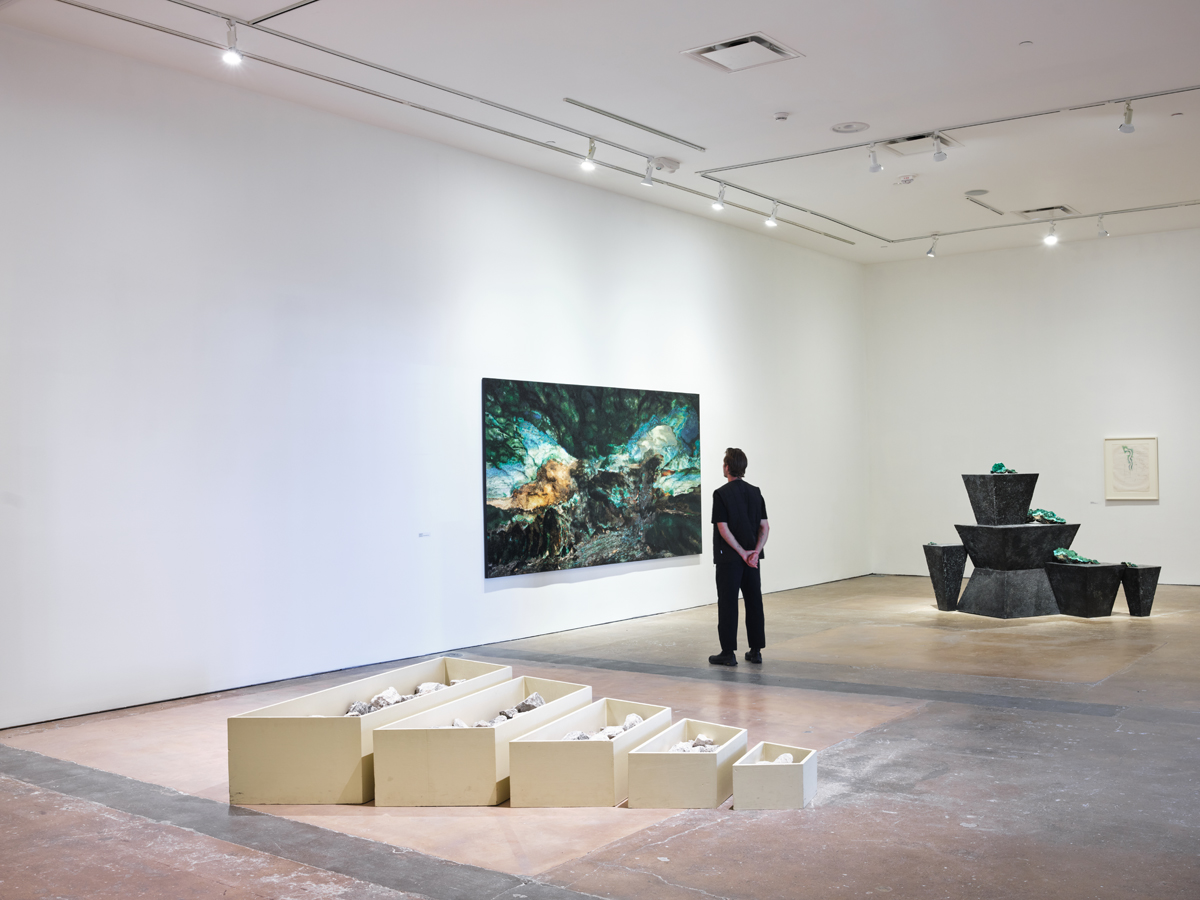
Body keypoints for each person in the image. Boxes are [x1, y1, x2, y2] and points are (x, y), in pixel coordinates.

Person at [709, 447, 770, 666]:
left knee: (728, 603)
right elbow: (765, 526)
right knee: (754, 601)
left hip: (730, 559)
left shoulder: (721, 494)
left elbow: (723, 529)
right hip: (752, 560)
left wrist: (742, 553)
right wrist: (754, 551)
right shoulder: (755, 492)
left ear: (727, 467)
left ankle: (728, 653)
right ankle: (755, 651)